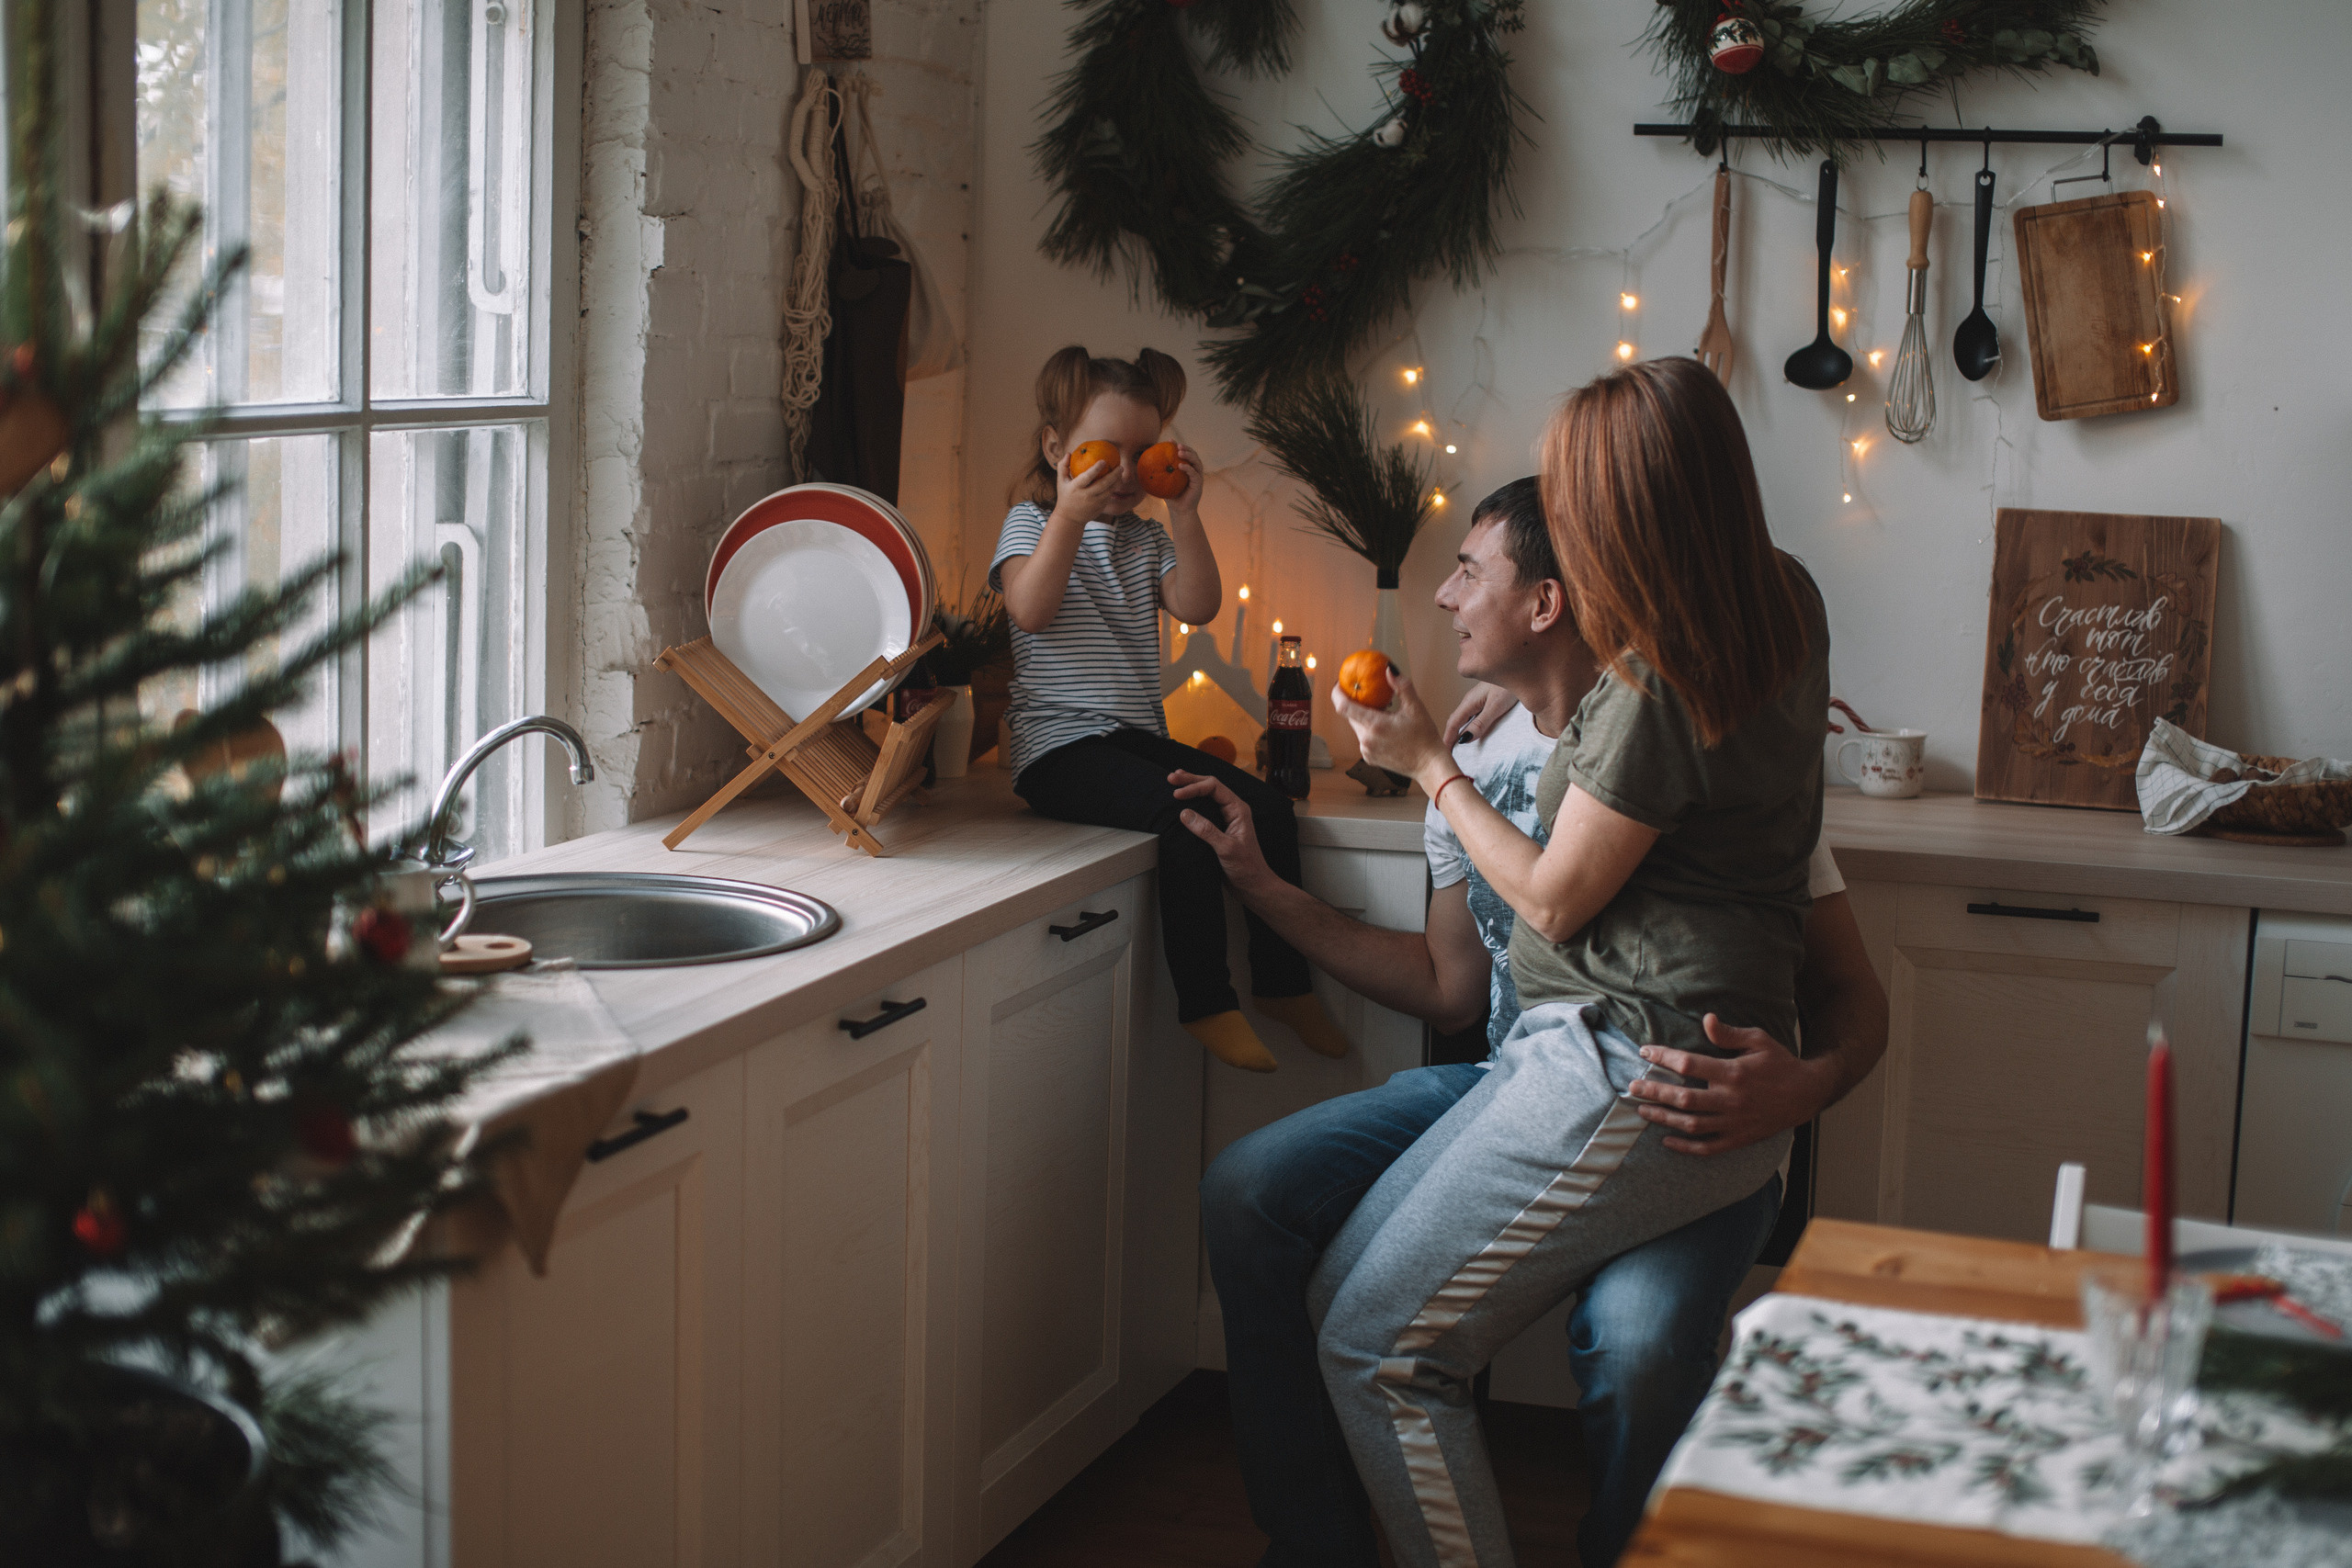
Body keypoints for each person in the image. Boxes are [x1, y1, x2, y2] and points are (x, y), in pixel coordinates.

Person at [1180, 474, 1884, 1567]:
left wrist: (1813, 1080)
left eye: (1472, 571)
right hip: (1514, 1073)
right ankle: (1319, 1547)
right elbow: (1445, 988)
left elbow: (1851, 993)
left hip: (1658, 1097)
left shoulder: (1710, 767)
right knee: (1251, 1194)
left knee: (1635, 1338)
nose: (1447, 594)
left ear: (1547, 604)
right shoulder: (1487, 752)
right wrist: (1265, 891)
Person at [1309, 356, 1831, 1567]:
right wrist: (1550, 700)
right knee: (1345, 1285)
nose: (1572, 514)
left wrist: (1430, 759)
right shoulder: (1779, 602)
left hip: (1626, 1060)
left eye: (1586, 495)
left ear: (1636, 508)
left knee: (1375, 1348)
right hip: (1629, 1043)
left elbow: (1552, 894)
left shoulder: (1654, 681)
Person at [990, 344, 1350, 1074]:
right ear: (1057, 448)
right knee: (1183, 822)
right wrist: (1068, 514)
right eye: (1104, 452)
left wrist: (1186, 513)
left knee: (1268, 810)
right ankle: (1207, 1001)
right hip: (1057, 749)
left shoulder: (1147, 537)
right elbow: (1030, 610)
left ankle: (1284, 984)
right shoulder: (1029, 524)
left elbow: (1199, 604)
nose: (1126, 474)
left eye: (1143, 452)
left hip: (1130, 739)